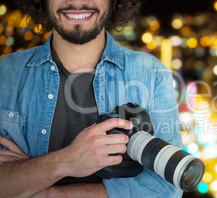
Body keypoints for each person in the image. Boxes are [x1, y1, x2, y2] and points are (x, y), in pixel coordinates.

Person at [0, 0, 183, 197]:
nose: (77, 2)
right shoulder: (5, 73)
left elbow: (168, 188)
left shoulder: (151, 73)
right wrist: (68, 160)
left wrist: (46, 189)